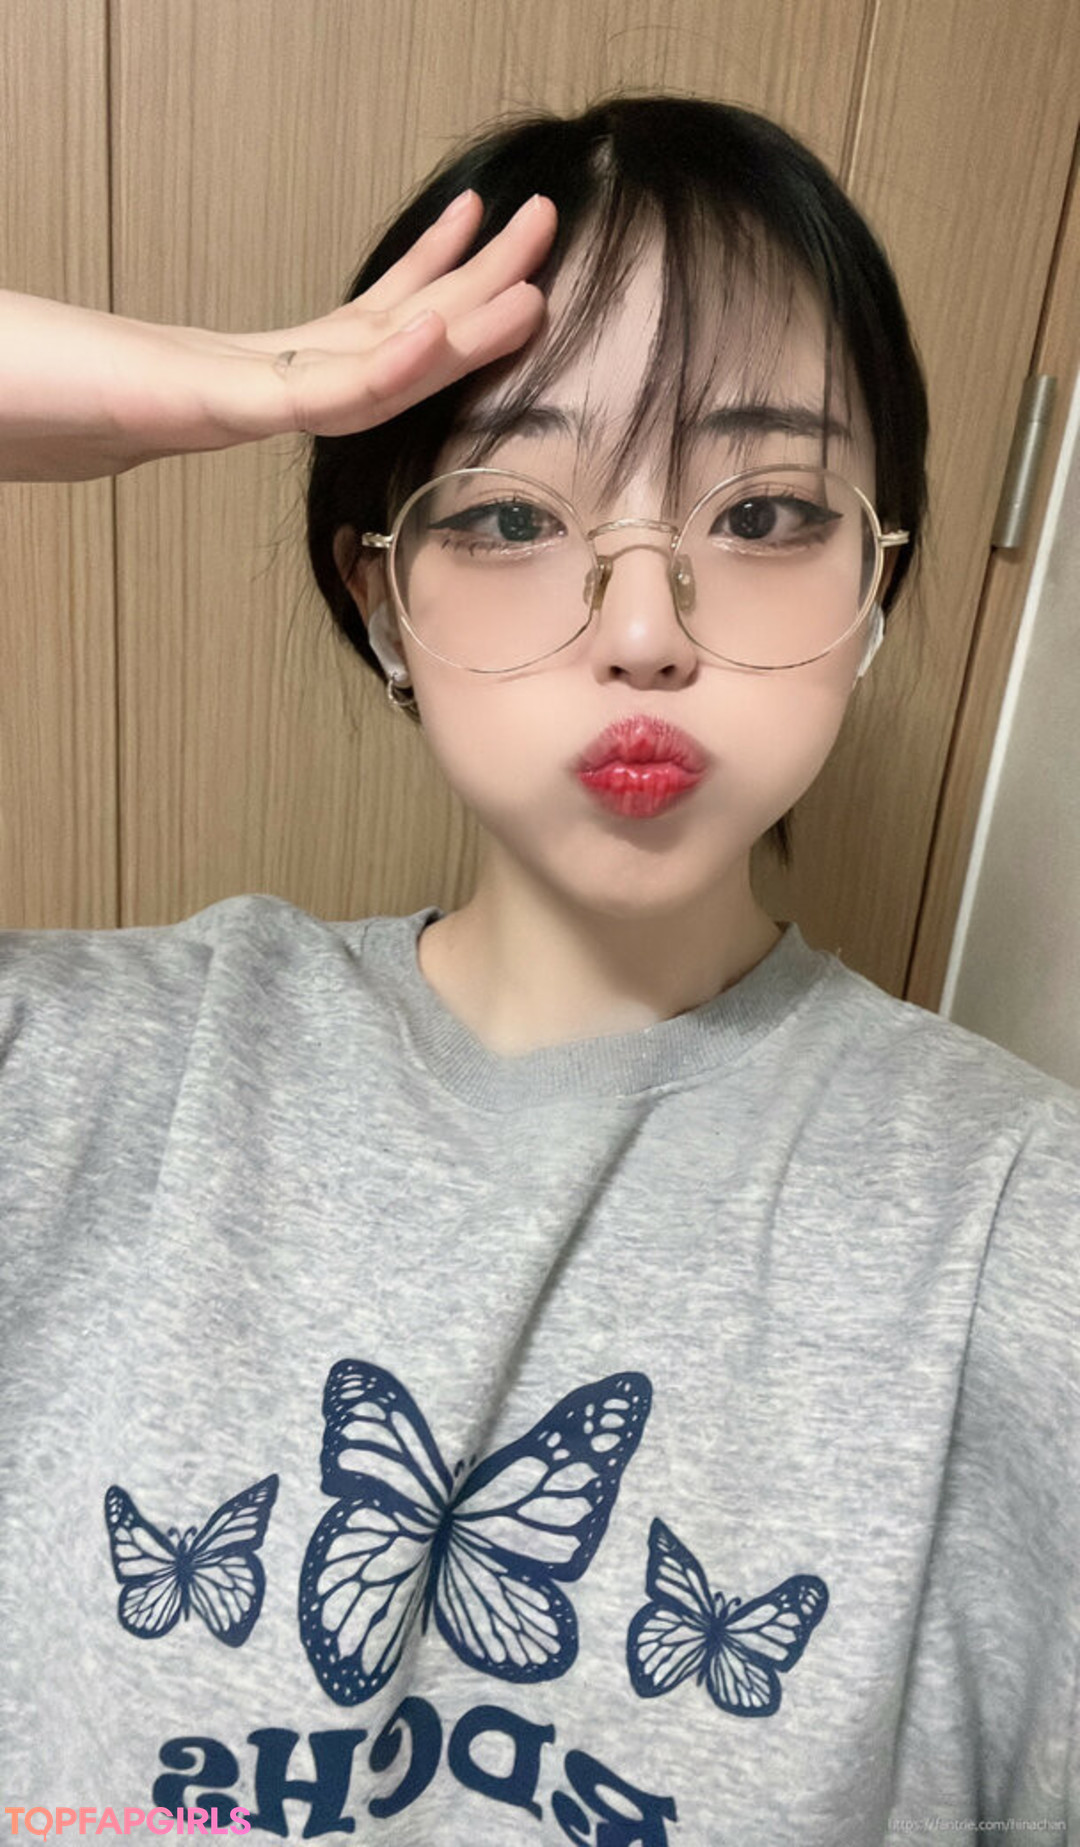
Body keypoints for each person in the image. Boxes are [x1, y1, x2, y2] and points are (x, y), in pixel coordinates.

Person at [0, 93, 1077, 1847]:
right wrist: (194, 387)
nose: (645, 629)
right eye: (509, 516)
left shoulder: (1022, 1233)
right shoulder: (71, 1078)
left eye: (767, 510)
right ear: (380, 597)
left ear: (877, 586)